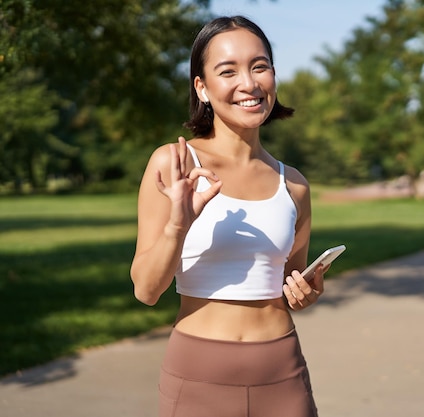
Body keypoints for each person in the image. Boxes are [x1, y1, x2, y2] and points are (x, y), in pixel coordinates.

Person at [130, 15, 326, 417]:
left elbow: (291, 288)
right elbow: (146, 291)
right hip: (198, 374)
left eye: (260, 66)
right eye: (228, 71)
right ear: (201, 87)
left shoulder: (296, 186)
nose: (249, 84)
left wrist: (306, 294)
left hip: (282, 373)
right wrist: (177, 224)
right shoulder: (175, 163)